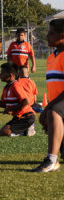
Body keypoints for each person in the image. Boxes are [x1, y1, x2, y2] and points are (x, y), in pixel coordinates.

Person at [31, 19, 64, 172]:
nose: (47, 36)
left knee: (53, 112)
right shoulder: (51, 58)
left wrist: (51, 109)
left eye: (51, 33)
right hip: (59, 104)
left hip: (60, 105)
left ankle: (51, 160)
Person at [0, 63, 36, 137]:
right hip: (18, 117)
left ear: (10, 75)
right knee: (3, 131)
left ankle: (27, 129)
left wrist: (10, 109)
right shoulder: (6, 87)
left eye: (2, 73)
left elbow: (26, 101)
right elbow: (4, 104)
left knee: (4, 132)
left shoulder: (15, 85)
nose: (0, 74)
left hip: (27, 116)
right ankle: (25, 129)